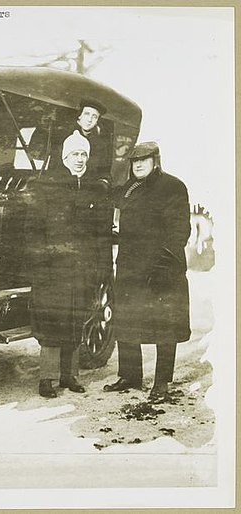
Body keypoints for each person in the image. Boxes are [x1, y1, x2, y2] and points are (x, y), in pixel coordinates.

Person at [26, 130, 113, 398]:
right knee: (52, 320)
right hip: (52, 269)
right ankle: (47, 378)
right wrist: (40, 262)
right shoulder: (47, 185)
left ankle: (69, 375)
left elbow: (101, 232)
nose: (79, 159)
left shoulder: (94, 188)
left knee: (76, 319)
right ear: (65, 156)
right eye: (75, 154)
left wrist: (101, 266)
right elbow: (33, 228)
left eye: (83, 154)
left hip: (81, 268)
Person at [103, 142, 191, 402]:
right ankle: (130, 376)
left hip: (162, 269)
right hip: (130, 267)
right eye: (134, 161)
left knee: (164, 326)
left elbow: (179, 232)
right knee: (127, 322)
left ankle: (162, 382)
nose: (138, 164)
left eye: (144, 160)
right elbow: (110, 198)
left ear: (156, 161)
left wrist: (161, 265)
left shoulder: (172, 186)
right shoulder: (130, 188)